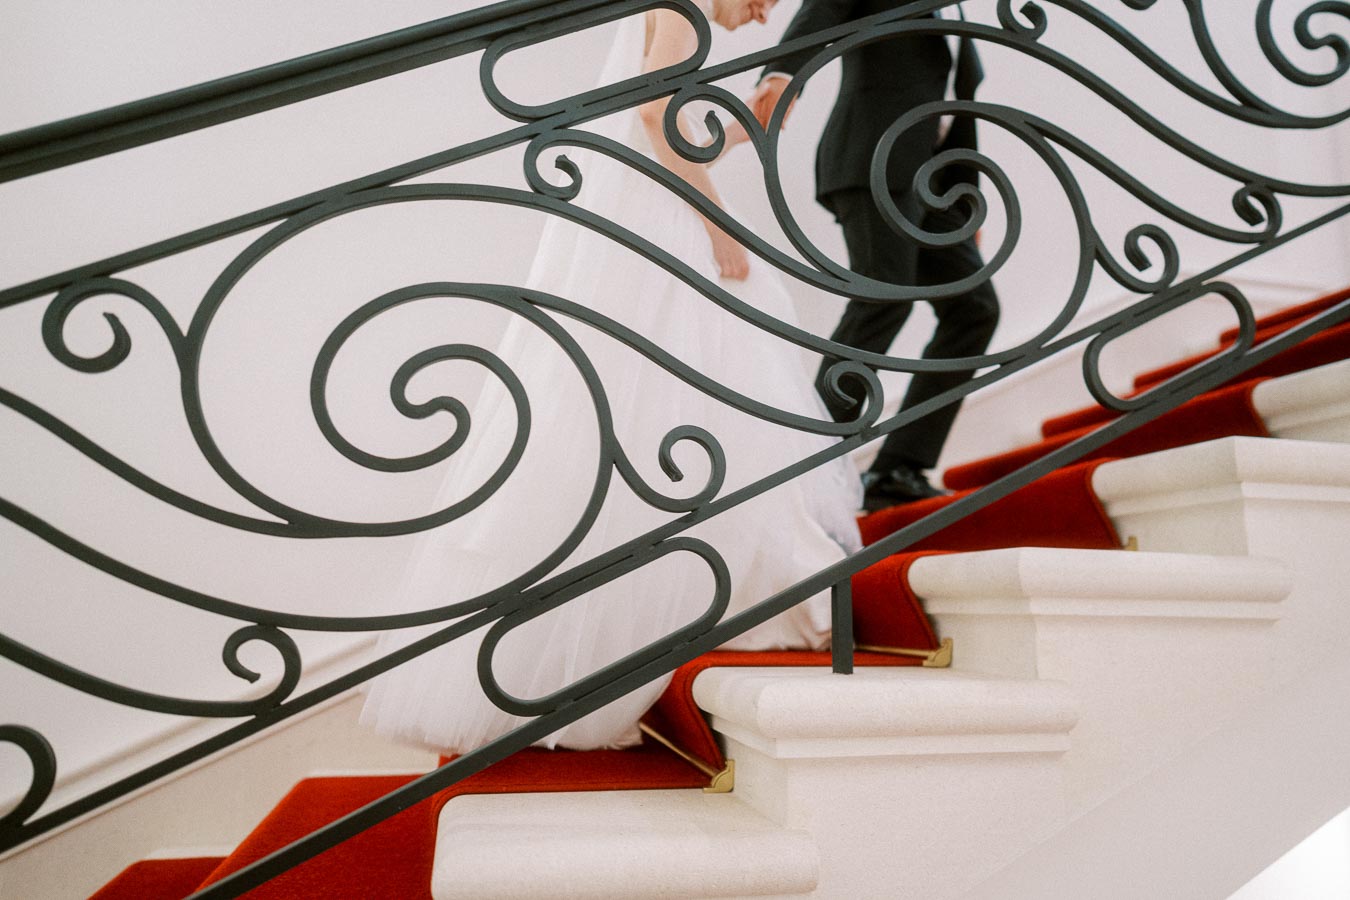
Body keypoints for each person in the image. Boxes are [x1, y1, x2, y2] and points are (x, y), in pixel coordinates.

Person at [361, 0, 862, 756]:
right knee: (707, 388)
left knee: (679, 397)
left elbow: (658, 128)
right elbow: (659, 118)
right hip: (665, 228)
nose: (764, 11)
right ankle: (758, 584)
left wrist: (741, 125)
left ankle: (734, 580)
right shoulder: (683, 11)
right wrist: (720, 225)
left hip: (650, 219)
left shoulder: (672, 15)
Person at [751, 0, 1000, 512]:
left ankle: (896, 469)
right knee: (884, 298)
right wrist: (781, 76)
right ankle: (811, 469)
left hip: (933, 185)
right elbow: (819, 13)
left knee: (975, 309)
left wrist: (966, 201)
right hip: (872, 161)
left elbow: (956, 115)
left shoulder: (951, 15)